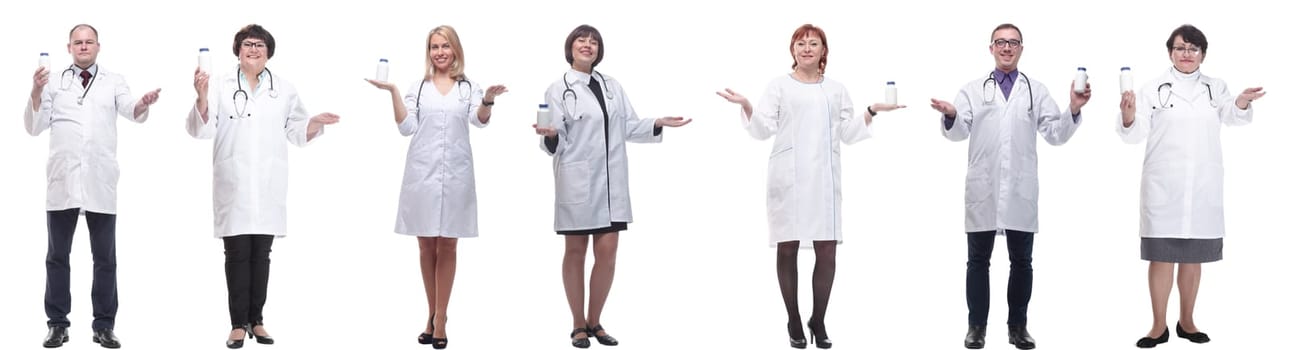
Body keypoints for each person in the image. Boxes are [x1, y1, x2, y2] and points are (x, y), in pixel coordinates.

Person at [716, 23, 903, 349]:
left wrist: (872, 111)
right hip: (788, 179)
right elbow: (761, 129)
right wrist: (747, 105)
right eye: (800, 43)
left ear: (823, 51)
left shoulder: (836, 89)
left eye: (813, 43)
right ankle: (793, 318)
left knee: (826, 249)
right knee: (787, 247)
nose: (806, 48)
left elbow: (846, 132)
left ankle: (818, 318)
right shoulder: (779, 87)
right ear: (793, 51)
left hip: (824, 179)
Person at [929, 23, 1090, 350]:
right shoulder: (974, 89)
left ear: (1021, 48)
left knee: (1022, 262)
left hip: (1020, 189)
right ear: (991, 48)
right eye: (1000, 42)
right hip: (983, 189)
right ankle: (976, 328)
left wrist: (1073, 108)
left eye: (1013, 42)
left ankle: (1018, 327)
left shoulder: (1036, 90)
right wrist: (949, 115)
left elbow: (1055, 134)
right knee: (977, 261)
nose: (1006, 48)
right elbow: (959, 131)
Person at [533, 24, 690, 349]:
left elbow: (628, 126)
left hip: (611, 185)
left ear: (599, 50)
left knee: (608, 254)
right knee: (575, 253)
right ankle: (577, 324)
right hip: (577, 183)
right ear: (571, 47)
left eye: (593, 42)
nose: (588, 45)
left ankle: (595, 321)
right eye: (581, 40)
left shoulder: (612, 86)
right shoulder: (558, 88)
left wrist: (658, 123)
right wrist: (550, 136)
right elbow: (556, 135)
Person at [186, 24, 340, 349]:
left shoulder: (283, 89)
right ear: (237, 50)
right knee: (237, 254)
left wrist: (313, 122)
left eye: (259, 45)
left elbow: (296, 129)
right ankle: (237, 324)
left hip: (268, 184)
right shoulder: (219, 86)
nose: (253, 49)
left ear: (269, 51)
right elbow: (201, 129)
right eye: (246, 44)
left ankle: (257, 319)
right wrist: (201, 95)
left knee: (262, 255)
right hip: (234, 184)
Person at [1118, 24, 1264, 349]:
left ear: (1203, 54)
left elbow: (1232, 116)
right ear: (1170, 51)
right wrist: (1128, 115)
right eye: (1181, 48)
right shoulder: (1153, 88)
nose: (1187, 54)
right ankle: (1158, 326)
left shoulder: (1216, 87)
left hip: (1201, 189)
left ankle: (1187, 321)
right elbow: (1134, 132)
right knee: (1161, 258)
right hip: (1163, 188)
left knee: (1192, 258)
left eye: (1193, 49)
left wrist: (1240, 102)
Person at [365, 25, 507, 349]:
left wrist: (487, 101)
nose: (439, 52)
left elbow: (479, 120)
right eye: (434, 47)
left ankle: (440, 318)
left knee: (449, 247)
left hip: (455, 175)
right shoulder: (420, 87)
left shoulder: (468, 87)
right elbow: (406, 127)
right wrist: (393, 92)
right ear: (428, 52)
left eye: (445, 46)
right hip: (422, 175)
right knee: (426, 247)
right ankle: (431, 313)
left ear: (455, 49)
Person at [25, 23, 161, 349]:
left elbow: (131, 109)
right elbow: (34, 127)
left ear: (99, 46)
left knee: (105, 259)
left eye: (89, 42)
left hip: (100, 182)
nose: (83, 46)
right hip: (64, 182)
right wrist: (34, 92)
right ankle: (57, 324)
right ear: (68, 47)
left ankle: (104, 326)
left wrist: (143, 103)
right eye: (77, 42)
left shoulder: (114, 81)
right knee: (57, 256)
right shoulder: (52, 82)